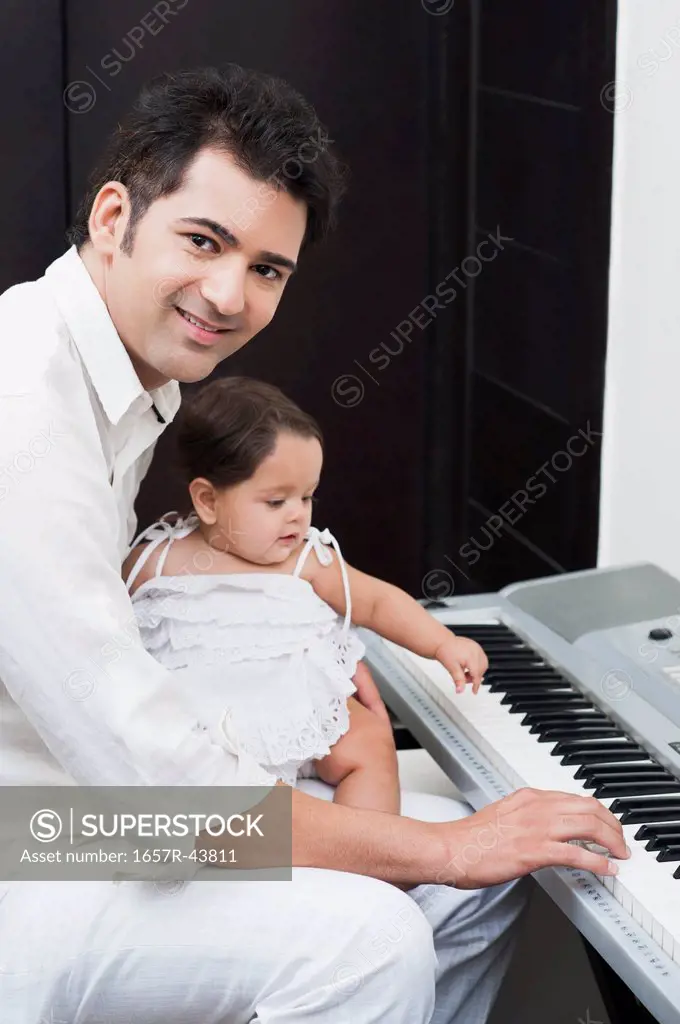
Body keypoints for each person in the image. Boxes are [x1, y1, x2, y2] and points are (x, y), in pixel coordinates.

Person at [0, 64, 628, 1024]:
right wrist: (441, 853)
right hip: (34, 842)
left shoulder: (123, 381)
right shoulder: (25, 403)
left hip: (82, 811)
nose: (227, 294)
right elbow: (154, 781)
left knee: (497, 875)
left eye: (267, 269)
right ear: (115, 214)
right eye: (202, 241)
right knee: (377, 933)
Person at [122, 376, 489, 815]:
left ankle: (366, 851)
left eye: (308, 496)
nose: (298, 513)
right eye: (276, 502)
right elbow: (100, 623)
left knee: (370, 742)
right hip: (198, 729)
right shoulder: (156, 561)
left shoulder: (306, 560)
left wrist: (441, 642)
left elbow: (376, 602)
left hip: (299, 710)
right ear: (207, 501)